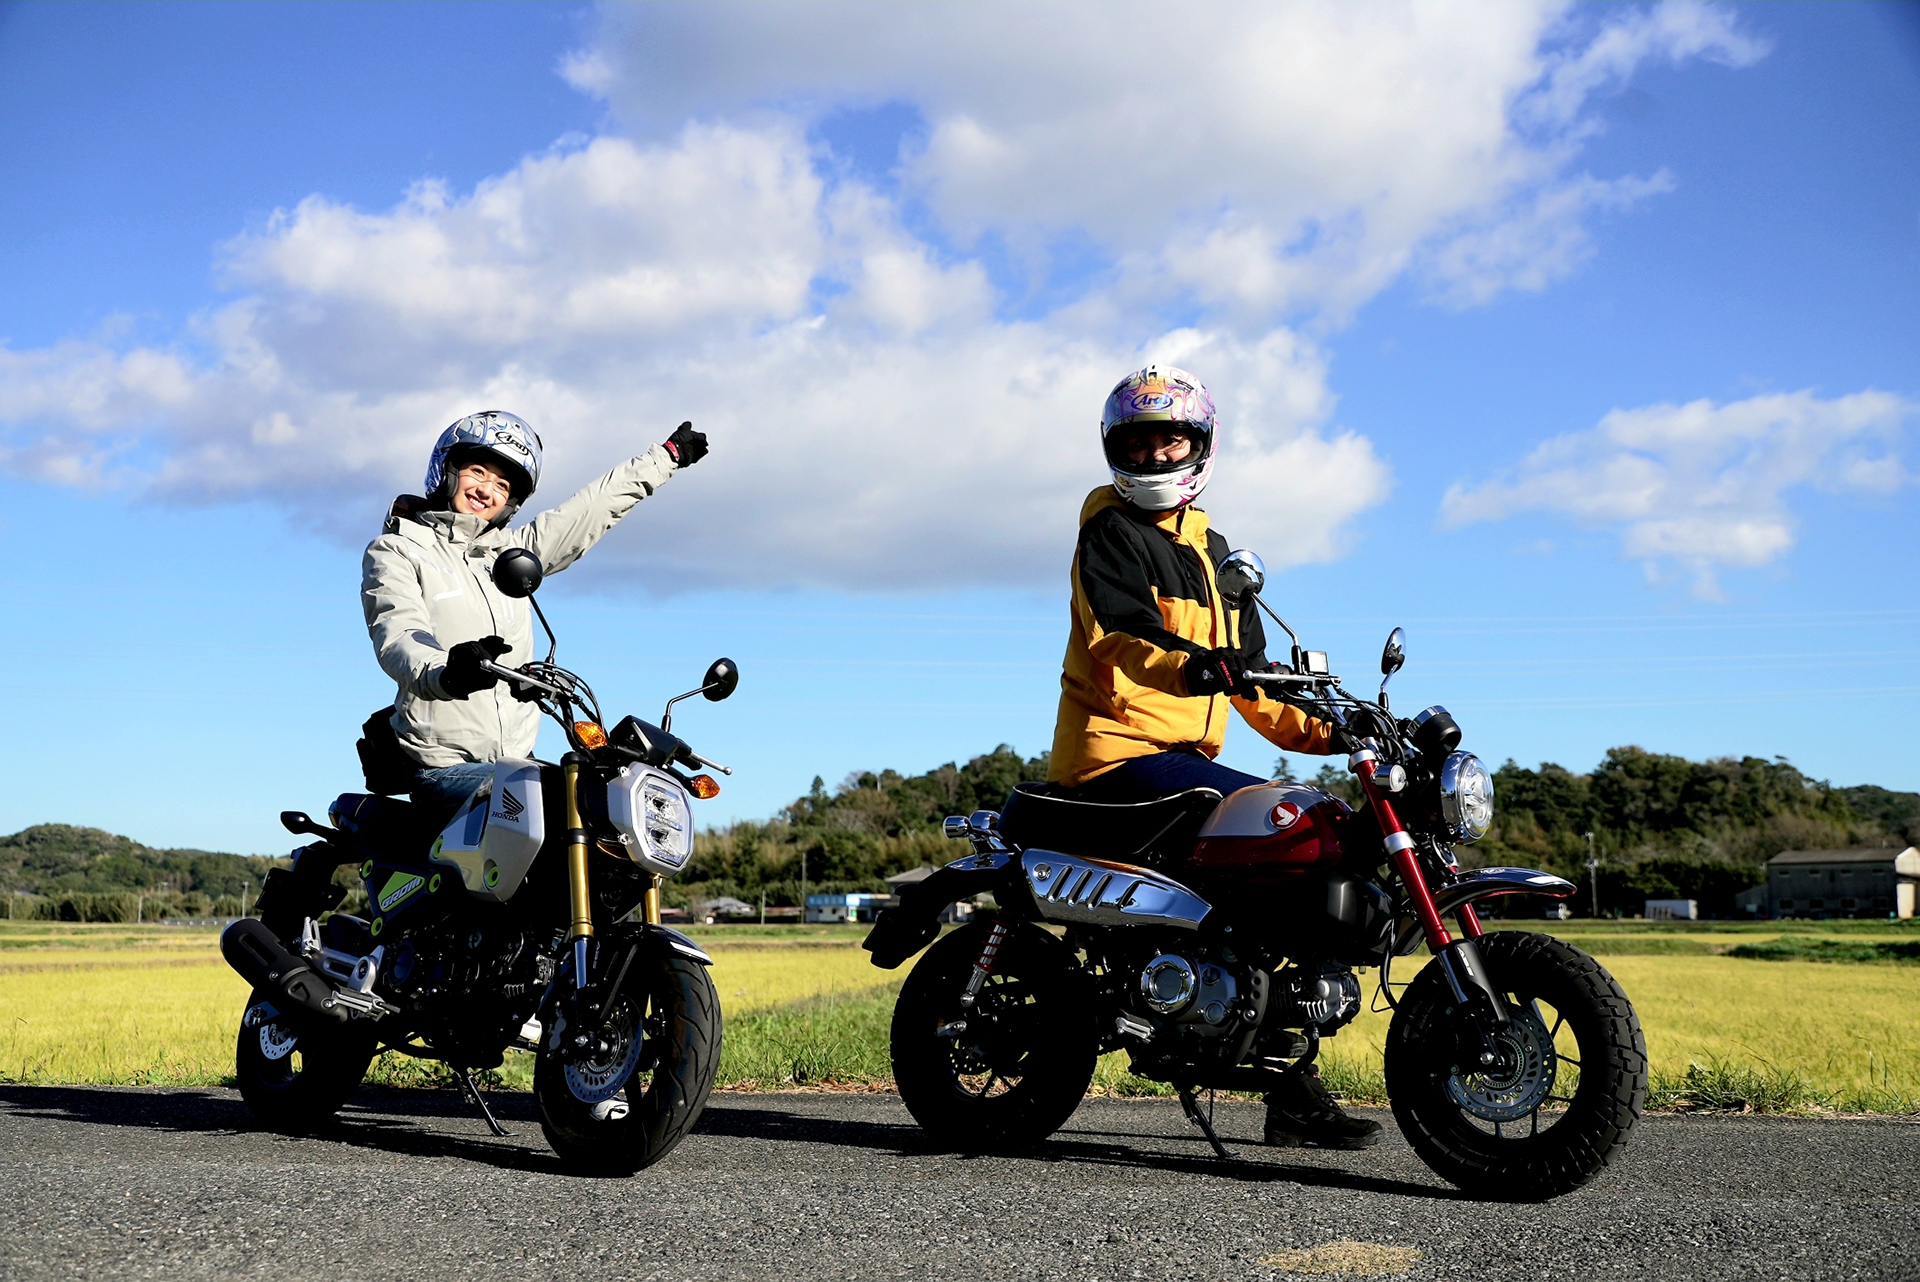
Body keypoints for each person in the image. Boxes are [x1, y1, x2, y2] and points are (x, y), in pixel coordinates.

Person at [1046, 363, 1379, 1150]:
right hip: (1116, 757)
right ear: (1115, 449)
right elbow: (1120, 639)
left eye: (1172, 439)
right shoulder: (1110, 534)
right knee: (1266, 829)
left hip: (1185, 760)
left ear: (1199, 446)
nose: (1157, 456)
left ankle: (1280, 1078)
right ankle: (1272, 1078)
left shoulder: (1216, 553)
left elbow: (1260, 692)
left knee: (1296, 848)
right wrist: (1199, 665)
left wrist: (1340, 730)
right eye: (1140, 441)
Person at [361, 410, 709, 824]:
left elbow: (586, 512)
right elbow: (399, 633)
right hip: (444, 769)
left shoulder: (509, 556)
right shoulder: (399, 550)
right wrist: (448, 672)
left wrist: (665, 458)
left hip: (514, 765)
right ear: (448, 469)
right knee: (550, 801)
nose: (486, 490)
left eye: (502, 485)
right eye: (477, 471)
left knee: (603, 803)